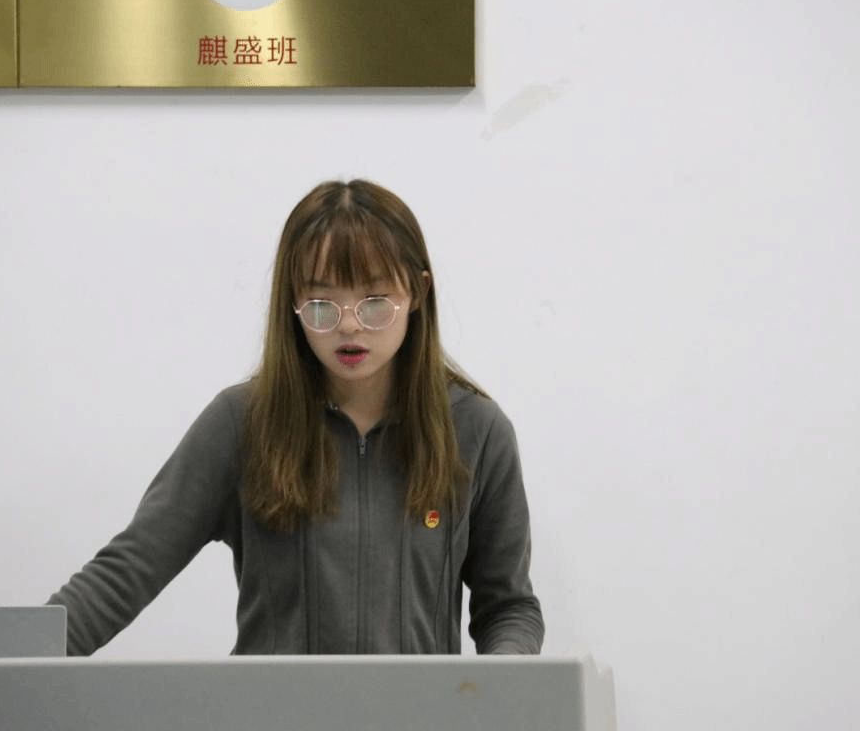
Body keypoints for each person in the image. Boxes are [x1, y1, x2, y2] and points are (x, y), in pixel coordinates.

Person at [48, 179, 544, 656]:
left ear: (416, 292)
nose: (348, 325)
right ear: (292, 300)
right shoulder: (240, 422)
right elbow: (130, 569)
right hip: (268, 707)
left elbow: (508, 608)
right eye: (322, 304)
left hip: (418, 708)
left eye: (374, 303)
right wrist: (17, 658)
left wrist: (502, 680)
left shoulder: (477, 431)